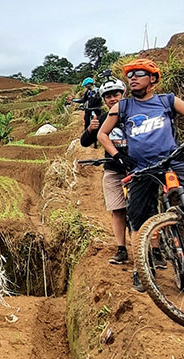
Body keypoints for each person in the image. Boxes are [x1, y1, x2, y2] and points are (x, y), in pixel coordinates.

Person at [97, 57, 184, 292]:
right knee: (138, 219)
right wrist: (118, 157)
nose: (132, 79)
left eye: (138, 74)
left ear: (152, 79)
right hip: (142, 168)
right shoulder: (123, 107)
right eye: (130, 76)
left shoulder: (167, 100)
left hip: (172, 161)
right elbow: (102, 134)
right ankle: (142, 268)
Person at [81, 79, 131, 265]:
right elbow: (85, 142)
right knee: (117, 210)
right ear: (103, 99)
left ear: (123, 94)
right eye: (108, 96)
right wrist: (90, 129)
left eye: (115, 95)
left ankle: (155, 250)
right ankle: (121, 248)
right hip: (113, 168)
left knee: (144, 210)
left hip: (136, 167)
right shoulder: (103, 119)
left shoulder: (133, 114)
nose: (112, 99)